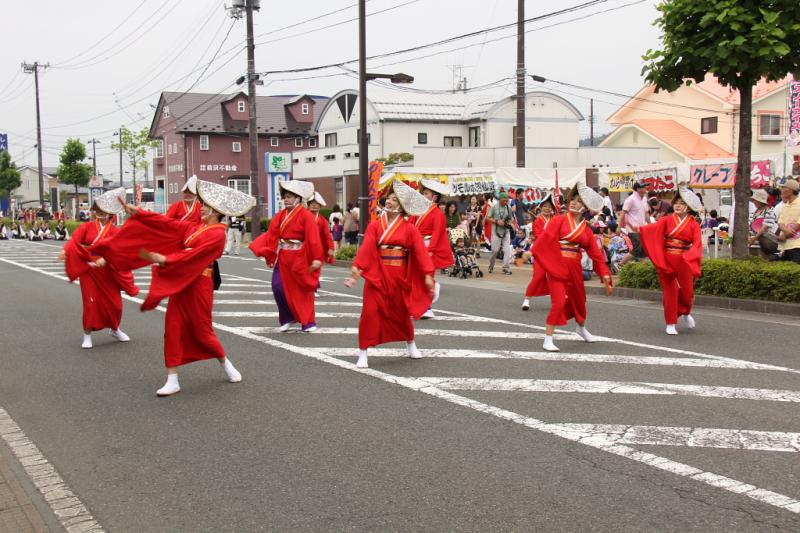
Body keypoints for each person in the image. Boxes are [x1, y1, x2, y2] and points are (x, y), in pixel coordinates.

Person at [95, 180, 254, 396]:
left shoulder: (218, 235)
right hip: (181, 281)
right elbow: (166, 223)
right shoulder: (193, 227)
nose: (201, 208)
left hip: (200, 284)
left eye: (205, 206)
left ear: (216, 212)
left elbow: (193, 255)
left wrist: (166, 259)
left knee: (202, 331)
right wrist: (139, 213)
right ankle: (172, 379)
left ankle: (225, 362)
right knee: (173, 328)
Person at [343, 180, 435, 369]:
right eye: (389, 199)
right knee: (369, 313)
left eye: (394, 200)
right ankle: (363, 352)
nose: (389, 202)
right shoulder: (375, 226)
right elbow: (367, 248)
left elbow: (420, 253)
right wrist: (357, 269)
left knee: (402, 313)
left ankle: (411, 344)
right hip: (378, 275)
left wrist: (427, 274)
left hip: (399, 275)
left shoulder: (410, 229)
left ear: (402, 206)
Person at [533, 183, 613, 352]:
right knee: (559, 302)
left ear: (585, 208)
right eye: (573, 200)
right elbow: (544, 239)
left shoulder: (586, 230)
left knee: (580, 301)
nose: (574, 203)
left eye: (579, 201)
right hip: (557, 267)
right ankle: (548, 339)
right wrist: (530, 253)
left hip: (575, 267)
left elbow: (596, 254)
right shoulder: (559, 220)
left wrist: (605, 273)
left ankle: (581, 328)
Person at [58, 188, 139, 349]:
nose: (100, 213)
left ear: (110, 214)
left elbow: (119, 250)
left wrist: (106, 258)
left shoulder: (115, 231)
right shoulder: (87, 227)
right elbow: (74, 241)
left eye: (104, 210)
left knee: (115, 304)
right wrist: (65, 251)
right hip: (89, 270)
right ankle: (87, 335)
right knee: (91, 303)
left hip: (108, 271)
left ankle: (115, 329)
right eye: (98, 210)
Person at [250, 180, 323, 333]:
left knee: (303, 291)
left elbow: (313, 238)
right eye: (285, 197)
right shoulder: (280, 216)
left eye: (289, 197)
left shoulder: (306, 216)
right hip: (283, 257)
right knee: (277, 287)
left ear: (298, 198)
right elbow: (271, 235)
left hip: (300, 257)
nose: (286, 199)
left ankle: (308, 321)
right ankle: (288, 317)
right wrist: (265, 250)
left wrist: (316, 258)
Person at [640, 185, 703, 335]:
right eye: (676, 203)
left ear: (688, 207)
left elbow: (697, 244)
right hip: (667, 260)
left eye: (682, 203)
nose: (678, 205)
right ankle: (670, 322)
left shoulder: (694, 224)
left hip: (685, 260)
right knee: (671, 291)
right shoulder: (666, 220)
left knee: (687, 293)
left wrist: (691, 255)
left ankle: (685, 311)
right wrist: (640, 229)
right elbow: (652, 230)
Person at [408, 179, 453, 318]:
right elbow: (410, 227)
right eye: (423, 193)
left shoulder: (438, 213)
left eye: (426, 193)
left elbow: (437, 234)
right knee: (415, 277)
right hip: (417, 245)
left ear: (434, 197)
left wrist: (430, 250)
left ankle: (426, 307)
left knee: (425, 276)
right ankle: (419, 305)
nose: (423, 195)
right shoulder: (418, 211)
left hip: (428, 246)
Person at [522, 193, 555, 310]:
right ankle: (526, 300)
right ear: (541, 207)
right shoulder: (537, 222)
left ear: (552, 208)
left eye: (549, 207)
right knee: (538, 276)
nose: (547, 208)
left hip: (553, 254)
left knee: (554, 278)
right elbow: (539, 236)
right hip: (540, 252)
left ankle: (556, 301)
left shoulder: (555, 220)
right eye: (545, 206)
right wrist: (552, 237)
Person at [618, 182, 650, 266]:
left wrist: (650, 225)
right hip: (632, 229)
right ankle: (620, 264)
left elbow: (646, 213)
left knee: (643, 250)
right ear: (638, 189)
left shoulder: (644, 198)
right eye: (644, 187)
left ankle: (643, 268)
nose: (646, 188)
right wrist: (619, 227)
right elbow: (623, 213)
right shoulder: (630, 199)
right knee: (637, 249)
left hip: (642, 228)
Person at [486, 191, 515, 275]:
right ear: (500, 200)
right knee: (495, 250)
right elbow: (488, 218)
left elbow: (511, 218)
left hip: (506, 231)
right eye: (504, 200)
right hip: (496, 232)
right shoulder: (494, 207)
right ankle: (491, 266)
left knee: (507, 250)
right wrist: (496, 221)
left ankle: (506, 268)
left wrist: (509, 222)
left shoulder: (508, 207)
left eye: (507, 200)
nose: (506, 202)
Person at [748, 189, 779, 257]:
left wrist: (755, 238)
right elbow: (748, 225)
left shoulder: (769, 212)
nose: (754, 202)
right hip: (752, 243)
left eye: (755, 200)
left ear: (760, 201)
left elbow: (765, 227)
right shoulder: (753, 212)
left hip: (764, 244)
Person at [776, 179, 800, 263]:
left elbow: (799, 223)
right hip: (785, 245)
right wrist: (785, 232)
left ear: (790, 191)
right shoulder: (785, 205)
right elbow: (780, 222)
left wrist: (785, 235)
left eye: (784, 188)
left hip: (797, 245)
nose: (781, 190)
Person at [308, 191, 335, 265]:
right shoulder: (303, 216)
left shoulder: (323, 221)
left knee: (315, 269)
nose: (314, 205)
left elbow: (327, 235)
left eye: (316, 203)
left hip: (316, 248)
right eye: (311, 203)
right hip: (304, 248)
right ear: (309, 205)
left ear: (320, 206)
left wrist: (331, 248)